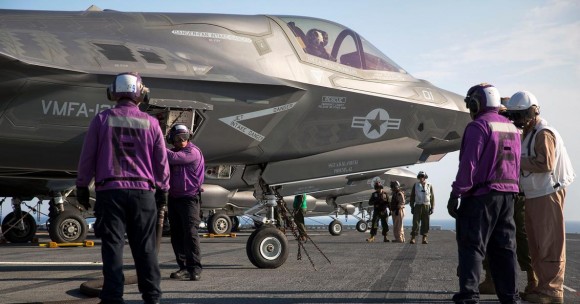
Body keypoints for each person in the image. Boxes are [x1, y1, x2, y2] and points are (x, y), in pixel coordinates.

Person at [76, 72, 169, 304]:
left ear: (113, 93)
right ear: (141, 94)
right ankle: (152, 297)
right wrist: (164, 188)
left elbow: (87, 156)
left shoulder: (101, 119)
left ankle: (112, 298)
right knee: (146, 249)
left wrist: (81, 186)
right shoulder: (152, 123)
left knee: (112, 248)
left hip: (110, 192)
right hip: (143, 194)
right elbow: (161, 161)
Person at [447, 83, 521, 304]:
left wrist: (455, 194)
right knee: (505, 250)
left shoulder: (478, 126)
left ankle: (469, 297)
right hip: (508, 196)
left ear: (476, 103)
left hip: (481, 196)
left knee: (472, 247)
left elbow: (468, 165)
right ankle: (511, 298)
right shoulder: (511, 127)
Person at [505, 91, 575, 304]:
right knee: (536, 243)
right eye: (514, 116)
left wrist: (514, 161)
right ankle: (541, 287)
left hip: (548, 192)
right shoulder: (529, 132)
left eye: (521, 115)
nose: (518, 120)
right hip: (535, 193)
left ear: (534, 111)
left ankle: (553, 291)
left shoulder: (543, 133)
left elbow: (545, 164)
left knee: (549, 242)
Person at [479, 97, 536, 297]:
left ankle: (532, 279)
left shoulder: (519, 131)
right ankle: (491, 279)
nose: (503, 116)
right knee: (494, 235)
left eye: (506, 112)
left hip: (513, 190)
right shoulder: (513, 131)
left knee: (520, 235)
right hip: (504, 188)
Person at [165, 124, 205, 281]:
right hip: (174, 198)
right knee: (176, 234)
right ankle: (183, 267)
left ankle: (194, 268)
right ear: (172, 140)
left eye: (185, 137)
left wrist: (156, 143)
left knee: (190, 233)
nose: (182, 141)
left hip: (189, 199)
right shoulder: (174, 152)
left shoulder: (192, 152)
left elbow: (172, 158)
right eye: (178, 138)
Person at [409, 171, 434, 244]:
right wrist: (412, 206)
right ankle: (413, 237)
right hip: (418, 205)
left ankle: (424, 238)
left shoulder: (429, 185)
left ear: (425, 177)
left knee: (426, 222)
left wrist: (432, 207)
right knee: (415, 222)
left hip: (426, 205)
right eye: (420, 176)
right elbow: (412, 196)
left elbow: (432, 197)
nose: (421, 178)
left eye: (422, 176)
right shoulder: (416, 185)